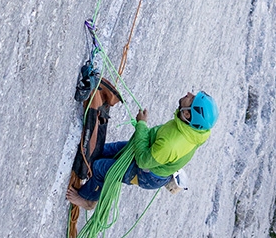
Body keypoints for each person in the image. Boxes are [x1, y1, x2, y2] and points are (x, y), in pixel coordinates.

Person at [65, 90, 218, 210]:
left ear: (187, 113)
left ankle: (88, 201)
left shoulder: (171, 144)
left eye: (192, 99)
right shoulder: (194, 130)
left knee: (100, 168)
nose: (189, 94)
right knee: (105, 150)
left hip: (146, 174)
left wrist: (142, 125)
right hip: (151, 152)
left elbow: (143, 161)